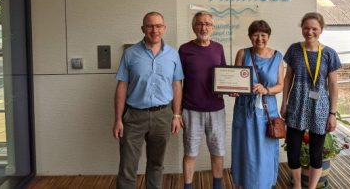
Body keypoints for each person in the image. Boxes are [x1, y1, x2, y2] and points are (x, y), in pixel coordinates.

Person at [112, 11, 184, 189]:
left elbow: (177, 85)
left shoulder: (173, 55)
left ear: (164, 29)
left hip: (163, 116)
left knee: (156, 165)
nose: (155, 30)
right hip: (134, 117)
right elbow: (122, 86)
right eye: (150, 26)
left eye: (158, 26)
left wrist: (176, 115)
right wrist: (118, 119)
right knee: (128, 167)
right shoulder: (130, 54)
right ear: (143, 29)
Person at [280, 12, 341, 189]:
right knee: (293, 152)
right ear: (302, 29)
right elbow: (287, 78)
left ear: (321, 30)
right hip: (297, 105)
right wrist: (284, 103)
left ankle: (312, 187)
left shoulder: (329, 53)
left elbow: (333, 85)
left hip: (320, 108)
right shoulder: (294, 50)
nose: (310, 32)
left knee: (316, 153)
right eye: (306, 28)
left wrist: (332, 113)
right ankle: (297, 185)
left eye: (314, 28)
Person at [231, 20, 284, 189]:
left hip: (267, 111)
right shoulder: (242, 53)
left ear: (268, 36)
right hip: (244, 109)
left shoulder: (278, 56)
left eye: (263, 35)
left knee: (265, 151)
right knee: (246, 149)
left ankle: (264, 184)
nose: (259, 38)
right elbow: (235, 81)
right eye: (255, 35)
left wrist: (266, 90)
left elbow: (280, 86)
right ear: (249, 36)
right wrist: (233, 90)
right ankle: (245, 184)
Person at [179, 11, 226, 189]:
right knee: (190, 152)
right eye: (199, 23)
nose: (203, 27)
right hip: (191, 109)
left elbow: (225, 76)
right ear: (193, 27)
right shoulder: (184, 49)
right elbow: (177, 82)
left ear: (213, 28)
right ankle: (188, 186)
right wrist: (176, 112)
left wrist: (234, 89)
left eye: (207, 24)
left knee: (218, 152)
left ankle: (217, 186)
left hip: (216, 109)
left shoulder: (218, 48)